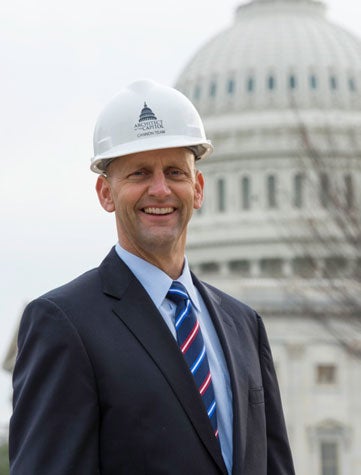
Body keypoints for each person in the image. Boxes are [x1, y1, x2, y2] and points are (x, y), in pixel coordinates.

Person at [9, 79, 295, 475]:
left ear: (197, 188)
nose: (159, 190)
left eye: (175, 172)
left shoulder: (243, 324)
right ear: (105, 193)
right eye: (140, 173)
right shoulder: (65, 324)